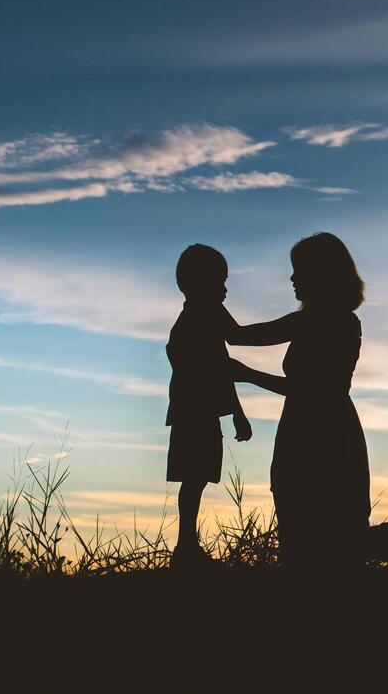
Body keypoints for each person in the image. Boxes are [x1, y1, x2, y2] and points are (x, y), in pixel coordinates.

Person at [226, 232, 388, 570]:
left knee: (326, 545)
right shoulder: (317, 320)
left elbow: (311, 390)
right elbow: (239, 337)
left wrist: (247, 374)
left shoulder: (329, 322)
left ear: (321, 274)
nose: (292, 278)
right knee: (322, 543)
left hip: (325, 437)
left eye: (299, 270)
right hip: (308, 431)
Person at [165, 243, 253, 568]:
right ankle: (186, 548)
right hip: (195, 411)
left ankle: (186, 547)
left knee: (196, 478)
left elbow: (221, 364)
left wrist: (237, 412)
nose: (225, 289)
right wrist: (297, 324)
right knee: (194, 477)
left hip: (197, 410)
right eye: (220, 280)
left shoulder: (199, 314)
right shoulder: (205, 312)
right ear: (200, 282)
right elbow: (237, 340)